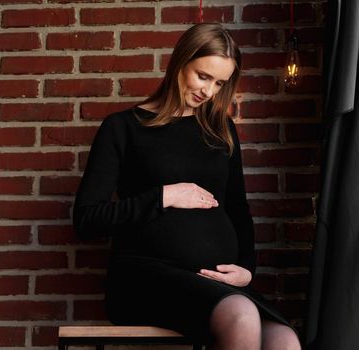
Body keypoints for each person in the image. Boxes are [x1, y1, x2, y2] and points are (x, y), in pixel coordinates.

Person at [73, 23, 301, 350]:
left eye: (220, 83)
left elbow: (238, 209)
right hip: (144, 278)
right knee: (241, 315)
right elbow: (87, 219)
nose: (208, 91)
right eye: (203, 76)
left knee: (284, 340)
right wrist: (165, 196)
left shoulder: (221, 131)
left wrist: (247, 271)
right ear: (180, 63)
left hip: (215, 284)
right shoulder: (123, 128)